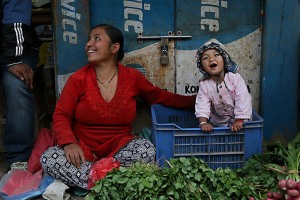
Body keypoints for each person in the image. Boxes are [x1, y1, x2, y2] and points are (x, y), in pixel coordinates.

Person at [40, 24, 196, 189]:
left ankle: (97, 182)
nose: (89, 44)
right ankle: (114, 183)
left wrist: (196, 102)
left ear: (115, 47)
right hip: (84, 151)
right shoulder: (78, 79)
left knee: (146, 151)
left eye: (97, 38)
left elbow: (159, 96)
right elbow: (61, 115)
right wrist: (68, 142)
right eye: (89, 39)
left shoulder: (132, 78)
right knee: (49, 158)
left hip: (120, 149)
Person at [0, 0, 39, 168]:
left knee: (17, 83)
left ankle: (18, 159)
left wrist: (14, 60)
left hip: (17, 50)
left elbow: (14, 21)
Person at [195, 38, 252, 132]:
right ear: (202, 67)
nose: (211, 59)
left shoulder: (234, 78)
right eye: (205, 58)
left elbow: (242, 98)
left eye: (216, 55)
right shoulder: (204, 84)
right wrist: (203, 123)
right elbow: (202, 104)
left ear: (225, 59)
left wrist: (239, 120)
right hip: (218, 124)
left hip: (240, 122)